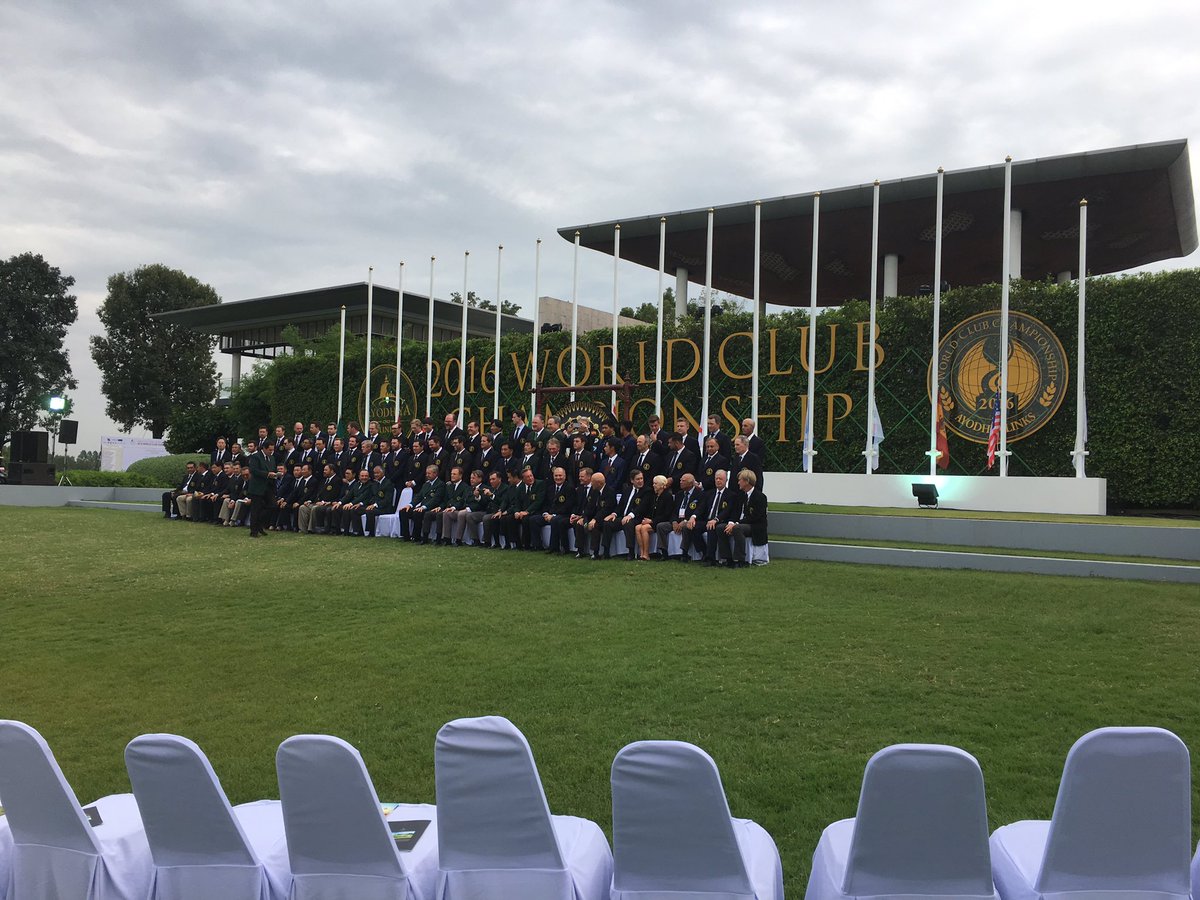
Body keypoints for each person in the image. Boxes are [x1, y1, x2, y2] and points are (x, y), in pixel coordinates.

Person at [717, 469, 768, 567]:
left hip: (754, 525)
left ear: (747, 481)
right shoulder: (741, 496)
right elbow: (735, 512)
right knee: (720, 527)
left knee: (737, 528)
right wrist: (731, 522)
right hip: (740, 523)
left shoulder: (760, 497)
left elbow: (754, 517)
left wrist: (736, 524)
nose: (738, 482)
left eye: (740, 480)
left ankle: (740, 559)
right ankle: (727, 558)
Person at [606, 469, 650, 560]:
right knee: (608, 523)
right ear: (632, 480)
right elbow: (621, 505)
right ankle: (606, 551)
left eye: (641, 478)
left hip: (637, 518)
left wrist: (630, 515)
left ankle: (630, 552)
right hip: (623, 516)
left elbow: (642, 507)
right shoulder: (627, 489)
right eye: (638, 479)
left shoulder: (647, 491)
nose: (640, 481)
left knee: (628, 523)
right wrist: (614, 514)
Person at [658, 472, 702, 562]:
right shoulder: (679, 494)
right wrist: (674, 521)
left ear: (690, 483)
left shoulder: (699, 494)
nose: (680, 482)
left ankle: (684, 553)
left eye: (683, 481)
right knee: (661, 526)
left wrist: (685, 521)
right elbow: (674, 511)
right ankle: (663, 552)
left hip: (689, 521)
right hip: (677, 520)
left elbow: (699, 511)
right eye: (680, 480)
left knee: (686, 527)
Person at [637, 474, 673, 562]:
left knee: (644, 528)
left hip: (662, 521)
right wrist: (647, 519)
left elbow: (667, 514)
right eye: (653, 483)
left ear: (662, 485)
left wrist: (652, 521)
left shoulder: (667, 496)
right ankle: (641, 553)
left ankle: (646, 554)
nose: (653, 485)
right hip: (653, 520)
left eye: (656, 484)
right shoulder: (655, 496)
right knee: (637, 527)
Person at [244, 439, 276, 538]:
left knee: (272, 506)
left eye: (272, 450)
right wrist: (267, 474)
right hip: (257, 487)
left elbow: (272, 469)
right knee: (256, 509)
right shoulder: (255, 457)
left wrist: (275, 474)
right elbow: (253, 470)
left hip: (268, 486)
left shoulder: (272, 458)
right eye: (269, 450)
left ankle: (259, 524)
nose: (271, 452)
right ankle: (254, 531)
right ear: (264, 449)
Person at [541, 466, 575, 554]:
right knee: (533, 520)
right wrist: (545, 514)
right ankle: (536, 545)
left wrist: (553, 515)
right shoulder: (550, 488)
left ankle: (560, 547)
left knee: (556, 520)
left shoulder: (569, 488)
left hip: (565, 514)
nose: (558, 478)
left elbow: (568, 506)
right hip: (550, 514)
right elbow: (545, 503)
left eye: (560, 475)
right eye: (556, 476)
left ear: (565, 476)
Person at [407, 464, 445, 543]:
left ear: (435, 474)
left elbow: (435, 499)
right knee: (404, 511)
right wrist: (410, 505)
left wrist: (424, 507)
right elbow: (419, 496)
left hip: (431, 507)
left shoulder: (440, 484)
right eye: (426, 473)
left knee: (417, 513)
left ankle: (416, 536)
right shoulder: (426, 484)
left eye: (429, 473)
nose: (427, 475)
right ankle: (406, 536)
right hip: (422, 506)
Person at [512, 466, 546, 550]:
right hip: (523, 512)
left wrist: (527, 511)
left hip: (537, 511)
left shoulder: (540, 484)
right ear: (523, 479)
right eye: (527, 477)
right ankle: (516, 544)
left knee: (527, 519)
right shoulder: (520, 488)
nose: (530, 478)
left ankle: (528, 544)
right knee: (510, 519)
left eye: (531, 475)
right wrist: (517, 511)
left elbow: (538, 501)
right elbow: (516, 502)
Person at [455, 469, 489, 546]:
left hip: (481, 511)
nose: (471, 480)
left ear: (480, 479)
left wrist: (477, 497)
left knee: (464, 514)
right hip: (468, 509)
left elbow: (484, 504)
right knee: (458, 513)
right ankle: (458, 539)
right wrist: (454, 507)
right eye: (470, 478)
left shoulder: (484, 488)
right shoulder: (469, 488)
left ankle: (463, 539)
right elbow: (464, 500)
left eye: (473, 478)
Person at [307, 463, 344, 533]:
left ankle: (321, 528)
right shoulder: (324, 480)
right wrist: (317, 500)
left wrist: (324, 502)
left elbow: (335, 494)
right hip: (322, 502)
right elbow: (319, 493)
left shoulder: (337, 480)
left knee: (317, 508)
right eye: (324, 470)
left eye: (326, 470)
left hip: (331, 502)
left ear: (332, 471)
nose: (324, 471)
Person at [438, 466, 470, 545]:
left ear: (460, 475)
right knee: (445, 513)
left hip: (459, 509)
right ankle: (446, 538)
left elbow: (462, 500)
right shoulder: (449, 486)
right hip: (450, 509)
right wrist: (441, 507)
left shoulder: (465, 487)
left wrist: (453, 507)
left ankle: (458, 539)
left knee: (455, 514)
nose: (452, 476)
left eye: (454, 474)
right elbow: (445, 500)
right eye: (451, 474)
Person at [481, 470, 512, 548]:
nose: (491, 481)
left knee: (487, 518)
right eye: (490, 479)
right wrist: (478, 497)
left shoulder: (505, 488)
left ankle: (487, 541)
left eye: (493, 479)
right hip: (490, 510)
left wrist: (492, 495)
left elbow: (503, 501)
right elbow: (484, 502)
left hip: (501, 511)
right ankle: (493, 542)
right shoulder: (491, 488)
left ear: (499, 479)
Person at [362, 465, 395, 537]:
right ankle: (360, 531)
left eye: (377, 473)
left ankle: (371, 532)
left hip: (386, 508)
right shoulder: (375, 483)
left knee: (370, 511)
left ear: (383, 473)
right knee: (361, 509)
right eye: (374, 473)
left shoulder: (388, 483)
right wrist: (371, 504)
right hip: (377, 506)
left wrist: (374, 505)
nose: (375, 475)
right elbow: (374, 496)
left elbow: (387, 500)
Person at [339, 469, 373, 536]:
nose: (364, 477)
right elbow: (349, 495)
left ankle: (357, 531)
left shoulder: (370, 485)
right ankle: (345, 531)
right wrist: (340, 502)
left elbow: (363, 497)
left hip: (366, 504)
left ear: (369, 477)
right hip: (356, 503)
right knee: (345, 508)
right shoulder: (357, 484)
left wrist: (351, 504)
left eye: (366, 476)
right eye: (362, 476)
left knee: (353, 509)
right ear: (359, 477)